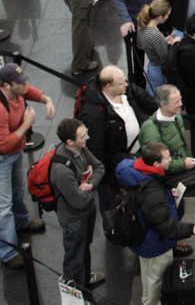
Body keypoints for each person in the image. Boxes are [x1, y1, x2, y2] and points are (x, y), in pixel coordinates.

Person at [0, 63, 57, 268]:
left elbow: (29, 91)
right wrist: (27, 123)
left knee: (17, 190)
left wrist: (46, 99)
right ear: (6, 85)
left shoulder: (18, 89)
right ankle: (6, 252)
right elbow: (3, 144)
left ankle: (21, 221)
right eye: (20, 83)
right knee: (2, 207)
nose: (25, 85)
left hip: (15, 153)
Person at [116, 143, 195, 305]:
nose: (171, 160)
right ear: (156, 164)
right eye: (167, 158)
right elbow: (164, 226)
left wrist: (167, 194)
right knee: (154, 278)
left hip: (144, 238)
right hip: (154, 243)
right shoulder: (152, 193)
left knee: (148, 272)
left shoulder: (138, 172)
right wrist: (190, 228)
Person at [77, 66, 157, 211]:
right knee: (112, 204)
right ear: (109, 87)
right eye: (121, 83)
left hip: (134, 157)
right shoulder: (94, 113)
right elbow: (96, 147)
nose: (126, 84)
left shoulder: (125, 90)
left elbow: (149, 102)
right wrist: (105, 177)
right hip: (113, 168)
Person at [50, 118, 106, 297]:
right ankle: (73, 294)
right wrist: (91, 192)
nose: (87, 138)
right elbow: (79, 201)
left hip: (87, 211)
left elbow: (99, 167)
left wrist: (90, 185)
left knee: (84, 247)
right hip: (73, 219)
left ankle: (85, 279)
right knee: (74, 256)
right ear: (69, 141)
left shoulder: (80, 148)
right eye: (83, 136)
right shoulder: (62, 170)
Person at [138, 83, 195, 184]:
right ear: (163, 105)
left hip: (178, 167)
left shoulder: (177, 117)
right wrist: (183, 164)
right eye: (176, 102)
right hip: (167, 178)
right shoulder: (150, 129)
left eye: (180, 99)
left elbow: (182, 146)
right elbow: (156, 162)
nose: (181, 104)